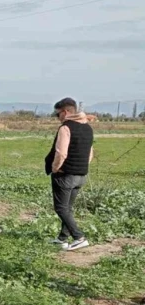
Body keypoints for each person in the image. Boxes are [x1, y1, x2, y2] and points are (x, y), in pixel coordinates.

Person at [45, 97, 94, 251]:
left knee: (60, 208)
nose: (57, 117)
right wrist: (82, 167)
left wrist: (55, 168)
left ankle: (79, 237)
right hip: (81, 175)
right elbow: (90, 153)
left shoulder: (66, 128)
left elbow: (61, 153)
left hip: (65, 175)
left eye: (57, 114)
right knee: (68, 207)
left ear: (65, 112)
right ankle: (62, 238)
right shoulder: (88, 127)